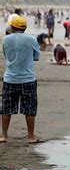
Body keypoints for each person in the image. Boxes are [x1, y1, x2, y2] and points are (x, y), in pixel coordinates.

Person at [0, 16, 44, 144]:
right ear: (24, 28)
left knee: (6, 109)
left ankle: (4, 135)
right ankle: (30, 137)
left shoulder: (6, 39)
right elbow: (36, 57)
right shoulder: (31, 39)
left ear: (12, 27)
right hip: (28, 79)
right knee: (30, 109)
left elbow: (6, 55)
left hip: (10, 79)